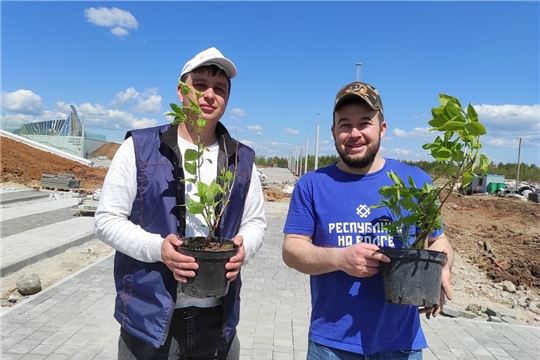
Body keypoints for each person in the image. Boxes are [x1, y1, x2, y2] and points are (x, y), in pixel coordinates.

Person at [95, 47, 267, 360]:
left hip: (218, 324)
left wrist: (246, 248)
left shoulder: (242, 159)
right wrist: (158, 249)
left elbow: (255, 221)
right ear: (181, 89)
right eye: (199, 85)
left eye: (220, 89)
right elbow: (107, 220)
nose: (209, 95)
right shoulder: (140, 148)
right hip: (150, 323)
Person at [282, 81, 454, 359]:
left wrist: (442, 267)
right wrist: (340, 259)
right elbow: (292, 251)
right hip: (332, 344)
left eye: (364, 123)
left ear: (382, 129)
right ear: (333, 131)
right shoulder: (312, 185)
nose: (354, 134)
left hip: (400, 343)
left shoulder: (415, 182)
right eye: (344, 124)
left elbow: (439, 241)